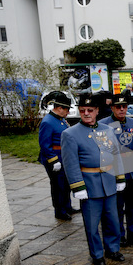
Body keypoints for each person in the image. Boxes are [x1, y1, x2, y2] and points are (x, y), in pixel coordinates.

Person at [61, 93, 126, 265]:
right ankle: (97, 254)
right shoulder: (70, 134)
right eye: (82, 110)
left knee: (112, 220)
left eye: (90, 110)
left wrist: (120, 177)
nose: (86, 113)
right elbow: (70, 163)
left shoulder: (107, 130)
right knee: (92, 224)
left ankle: (112, 249)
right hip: (89, 185)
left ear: (97, 110)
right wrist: (77, 186)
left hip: (109, 182)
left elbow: (116, 154)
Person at [99, 90, 133, 247]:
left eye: (124, 106)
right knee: (117, 205)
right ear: (112, 107)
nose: (121, 110)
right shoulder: (103, 124)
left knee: (132, 204)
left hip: (131, 168)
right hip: (114, 168)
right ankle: (119, 234)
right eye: (118, 107)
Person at [38, 91, 76, 221]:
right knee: (58, 185)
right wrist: (53, 161)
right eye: (66, 109)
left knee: (65, 184)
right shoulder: (48, 122)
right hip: (55, 159)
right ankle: (59, 211)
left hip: (63, 158)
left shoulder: (60, 119)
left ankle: (67, 207)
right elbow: (45, 144)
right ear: (59, 108)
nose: (68, 112)